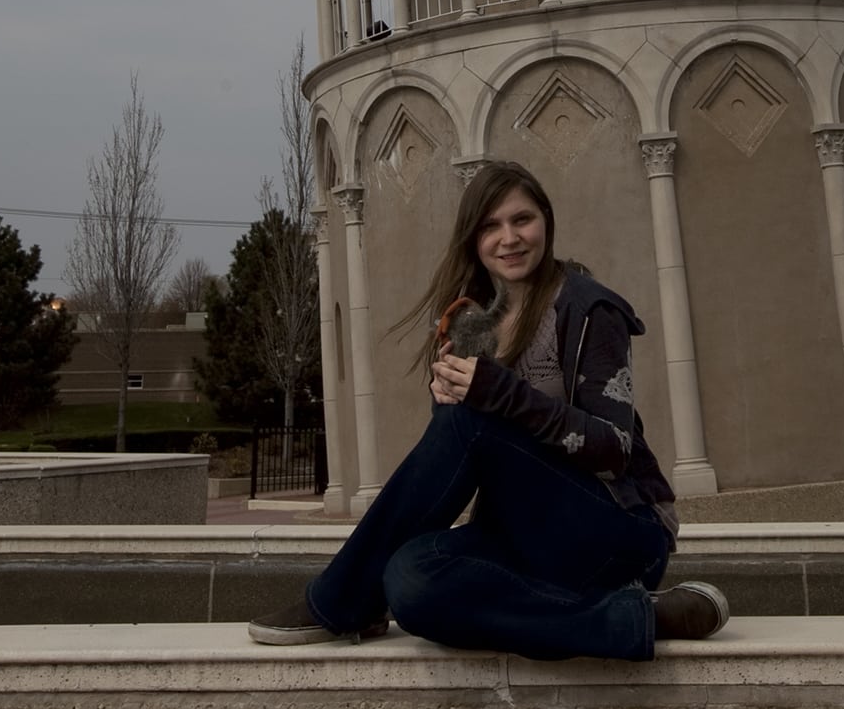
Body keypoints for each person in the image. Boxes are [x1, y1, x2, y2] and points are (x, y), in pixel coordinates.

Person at [248, 160, 727, 659]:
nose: (509, 238)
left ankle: (335, 601)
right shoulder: (473, 322)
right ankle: (636, 618)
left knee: (467, 421)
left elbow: (614, 448)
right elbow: (464, 457)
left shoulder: (588, 309)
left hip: (618, 531)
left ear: (546, 220)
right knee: (409, 578)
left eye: (522, 220)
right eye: (490, 226)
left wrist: (496, 395)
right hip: (521, 534)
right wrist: (447, 401)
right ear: (473, 240)